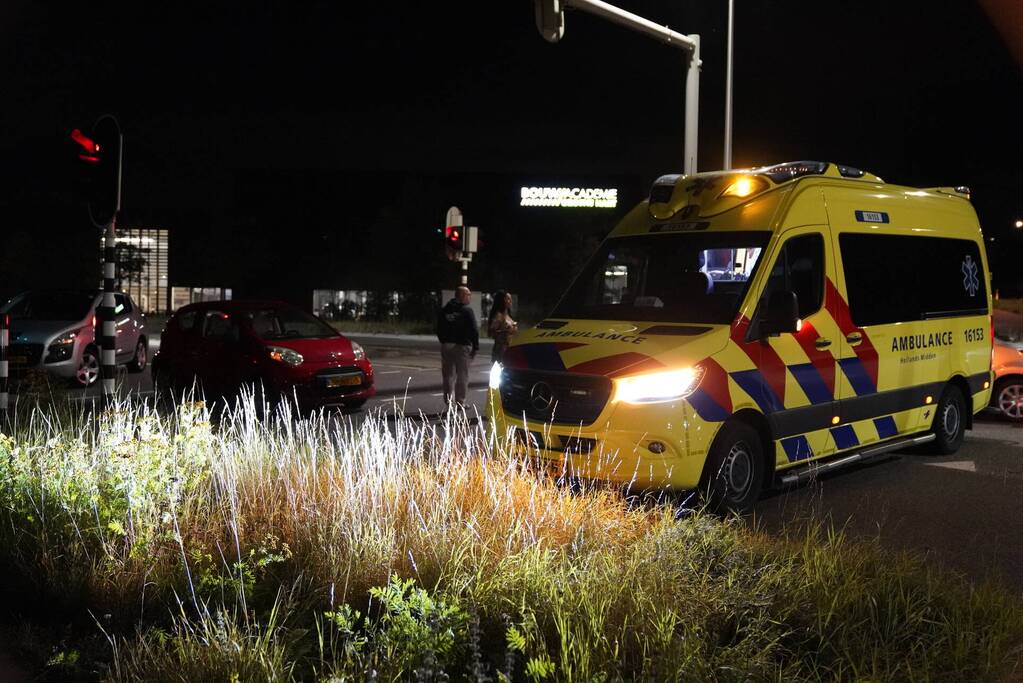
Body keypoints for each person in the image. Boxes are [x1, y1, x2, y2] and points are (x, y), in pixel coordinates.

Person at [437, 286, 479, 407]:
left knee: (448, 375)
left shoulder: (444, 310)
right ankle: (461, 401)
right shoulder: (466, 311)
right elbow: (474, 330)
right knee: (462, 375)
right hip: (462, 346)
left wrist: (444, 341)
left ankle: (448, 401)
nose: (470, 297)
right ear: (461, 295)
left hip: (447, 345)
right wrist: (475, 347)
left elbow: (439, 328)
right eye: (468, 295)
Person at [487, 290, 518, 364]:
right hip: (501, 350)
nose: (510, 301)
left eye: (511, 299)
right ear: (501, 301)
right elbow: (491, 333)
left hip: (510, 349)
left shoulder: (508, 316)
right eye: (508, 299)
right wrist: (504, 332)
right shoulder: (498, 316)